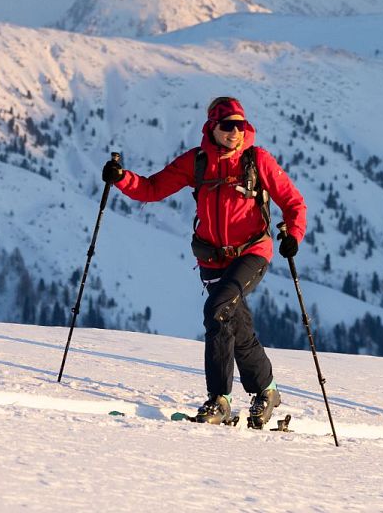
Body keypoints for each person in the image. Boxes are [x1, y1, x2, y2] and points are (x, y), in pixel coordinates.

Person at [102, 96, 308, 427]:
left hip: (252, 251)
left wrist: (293, 235)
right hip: (211, 257)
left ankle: (219, 400)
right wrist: (121, 178)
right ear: (212, 127)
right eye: (227, 126)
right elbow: (153, 188)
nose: (234, 132)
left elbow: (293, 202)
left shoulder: (257, 160)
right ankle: (266, 391)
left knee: (218, 311)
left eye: (240, 126)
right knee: (235, 325)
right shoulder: (197, 162)